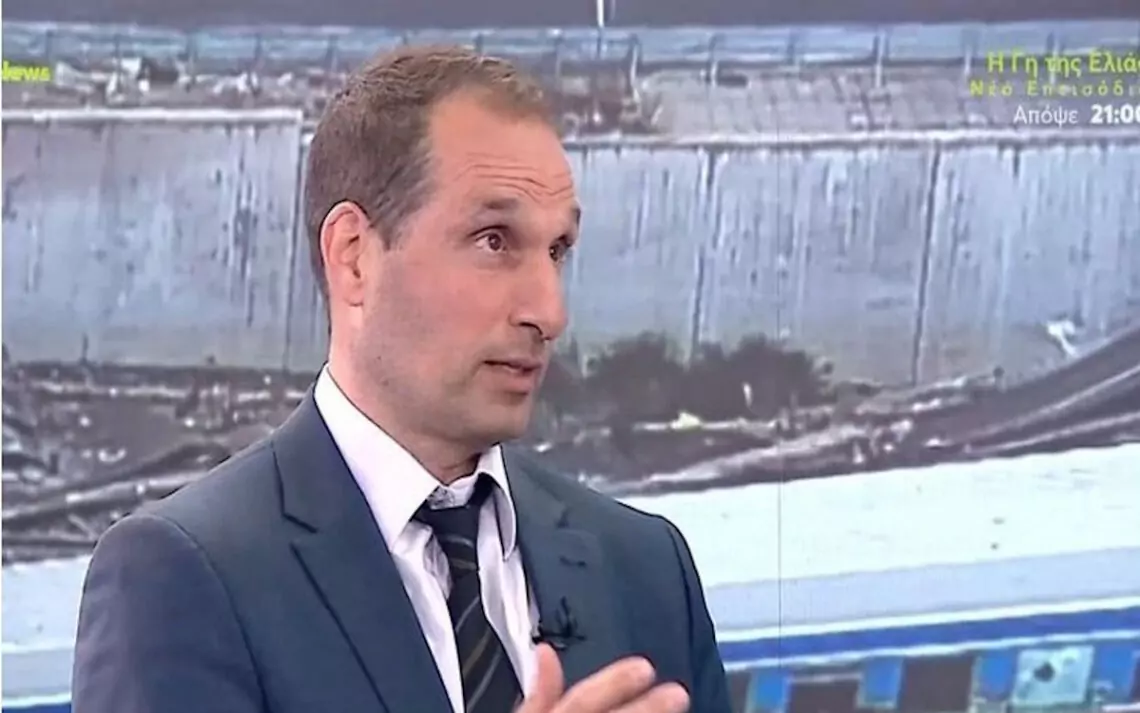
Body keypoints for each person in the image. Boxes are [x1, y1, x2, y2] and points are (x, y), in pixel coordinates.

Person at [71, 45, 732, 713]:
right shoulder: (181, 577)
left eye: (558, 249)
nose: (549, 311)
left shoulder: (646, 571)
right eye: (494, 240)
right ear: (355, 258)